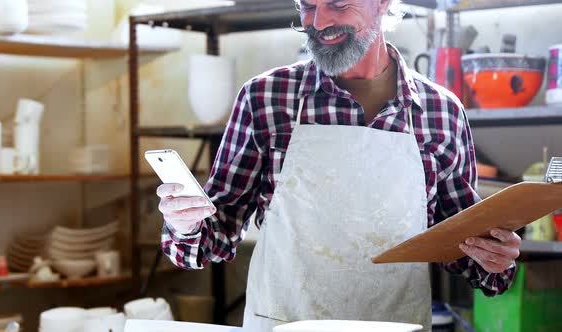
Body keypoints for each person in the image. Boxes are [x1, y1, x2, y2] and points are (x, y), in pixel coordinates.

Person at [156, 0, 521, 330]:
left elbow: (466, 245)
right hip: (284, 324)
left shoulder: (441, 112)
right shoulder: (267, 99)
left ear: (383, 4)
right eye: (308, 7)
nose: (320, 21)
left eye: (337, 4)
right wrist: (185, 223)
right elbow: (212, 239)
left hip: (396, 325)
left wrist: (496, 259)